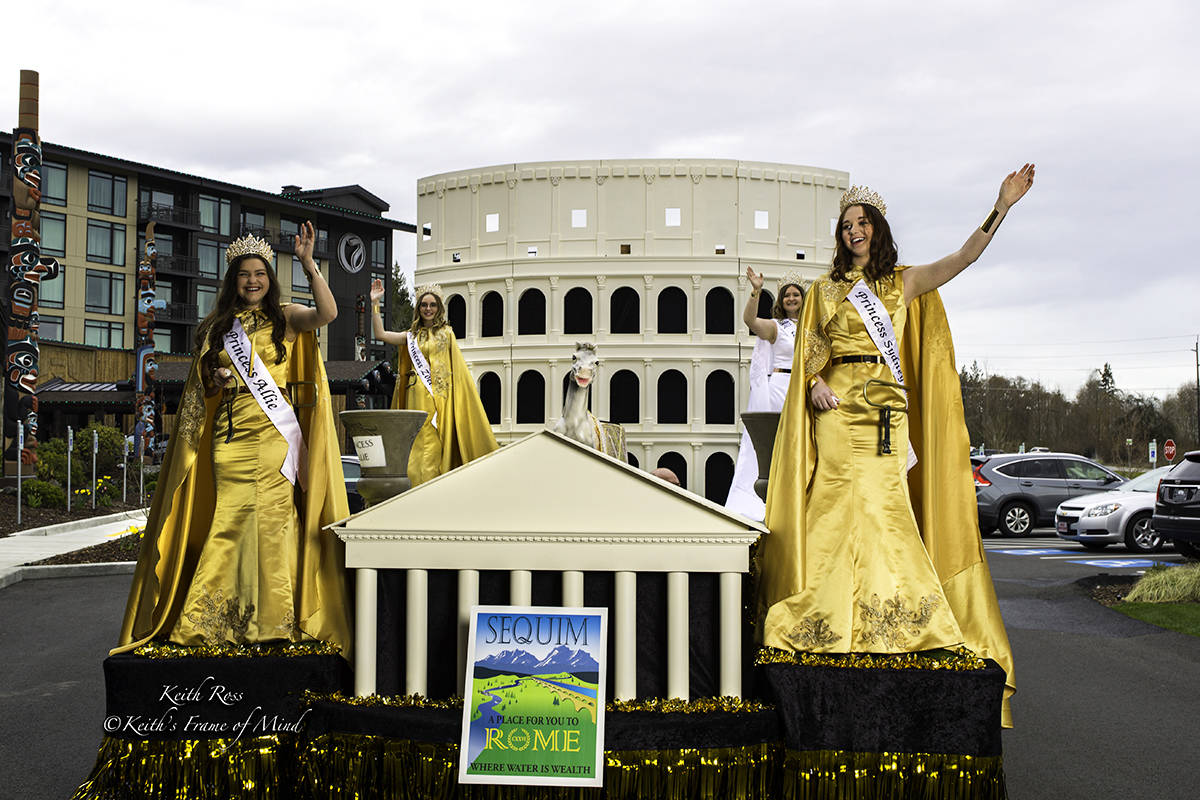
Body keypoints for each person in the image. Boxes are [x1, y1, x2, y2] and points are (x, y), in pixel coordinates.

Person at [759, 165, 1035, 728]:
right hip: (837, 408)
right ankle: (822, 617)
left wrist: (1000, 206)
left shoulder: (901, 283)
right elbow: (811, 350)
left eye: (862, 223)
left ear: (877, 230)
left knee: (887, 510)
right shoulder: (823, 289)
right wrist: (812, 382)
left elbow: (962, 260)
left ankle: (905, 619)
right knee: (833, 505)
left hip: (886, 410)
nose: (853, 232)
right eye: (846, 225)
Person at [114, 224, 351, 656]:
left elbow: (328, 314)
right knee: (230, 522)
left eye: (260, 273)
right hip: (230, 436)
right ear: (233, 280)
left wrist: (308, 263)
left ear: (269, 277)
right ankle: (215, 620)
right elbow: (200, 382)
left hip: (274, 435)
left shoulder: (286, 316)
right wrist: (215, 375)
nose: (253, 281)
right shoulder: (217, 327)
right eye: (245, 274)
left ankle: (275, 620)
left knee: (275, 522)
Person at [370, 279, 498, 485]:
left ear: (439, 308)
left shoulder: (447, 334)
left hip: (438, 400)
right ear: (418, 308)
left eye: (432, 305)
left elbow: (458, 370)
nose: (428, 309)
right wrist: (375, 303)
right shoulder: (411, 336)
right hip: (414, 399)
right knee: (414, 445)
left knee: (433, 447)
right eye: (424, 305)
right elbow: (381, 334)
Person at [724, 267, 804, 521]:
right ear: (781, 301)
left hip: (806, 387)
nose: (791, 299)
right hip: (782, 386)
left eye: (796, 294)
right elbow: (750, 321)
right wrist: (756, 291)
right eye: (786, 295)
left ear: (803, 297)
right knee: (777, 445)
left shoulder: (813, 327)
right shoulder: (776, 328)